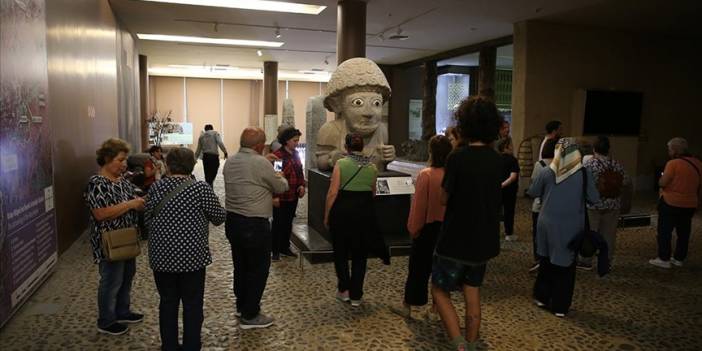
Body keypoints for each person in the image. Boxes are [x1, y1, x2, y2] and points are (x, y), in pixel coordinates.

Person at [432, 96, 503, 351]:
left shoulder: (457, 158)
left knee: (440, 290)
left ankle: (458, 343)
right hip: (483, 241)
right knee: (472, 292)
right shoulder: (497, 160)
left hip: (454, 239)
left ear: (464, 124)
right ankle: (472, 343)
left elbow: (443, 198)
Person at [145, 147, 226, 351]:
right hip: (192, 258)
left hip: (162, 258)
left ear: (169, 165)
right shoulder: (200, 189)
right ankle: (191, 345)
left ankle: (169, 346)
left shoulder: (156, 188)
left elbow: (147, 220)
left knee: (167, 302)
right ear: (192, 165)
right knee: (192, 304)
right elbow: (218, 218)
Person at [223, 127, 288, 329]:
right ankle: (251, 315)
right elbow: (280, 187)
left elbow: (250, 182)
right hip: (254, 224)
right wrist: (279, 174)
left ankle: (242, 305)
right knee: (258, 269)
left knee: (240, 265)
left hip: (233, 221)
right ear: (260, 146)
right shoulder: (261, 163)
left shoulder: (230, 161)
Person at [528, 138, 600, 318]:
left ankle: (542, 297)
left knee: (545, 260)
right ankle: (560, 306)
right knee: (565, 266)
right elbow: (594, 198)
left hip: (545, 222)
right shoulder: (584, 174)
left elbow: (533, 191)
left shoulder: (547, 172)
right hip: (570, 225)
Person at [84, 138, 145, 335]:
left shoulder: (122, 182)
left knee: (127, 277)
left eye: (125, 159)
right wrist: (130, 205)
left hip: (127, 238)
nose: (124, 164)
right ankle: (106, 320)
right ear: (107, 159)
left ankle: (122, 311)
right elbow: (100, 213)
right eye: (120, 160)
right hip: (109, 240)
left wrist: (139, 203)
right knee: (111, 281)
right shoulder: (97, 184)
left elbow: (133, 201)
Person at [324, 133, 388, 307]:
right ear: (362, 147)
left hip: (343, 214)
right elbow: (373, 192)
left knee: (341, 252)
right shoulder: (372, 167)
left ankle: (343, 290)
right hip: (364, 215)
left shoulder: (341, 164)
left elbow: (333, 192)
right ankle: (356, 295)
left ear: (347, 147)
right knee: (360, 254)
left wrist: (327, 215)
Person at [402, 135, 452, 316]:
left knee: (418, 268)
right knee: (440, 269)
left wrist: (414, 228)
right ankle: (436, 307)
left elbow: (419, 206)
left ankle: (409, 305)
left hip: (427, 229)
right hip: (446, 229)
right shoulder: (451, 175)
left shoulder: (427, 174)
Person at [316, 57, 396, 171]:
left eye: (376, 103)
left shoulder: (381, 130)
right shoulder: (330, 129)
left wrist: (388, 156)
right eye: (358, 103)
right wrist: (330, 158)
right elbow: (320, 162)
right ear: (338, 105)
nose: (369, 113)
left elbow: (381, 164)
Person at [578, 136, 629, 271]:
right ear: (608, 149)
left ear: (594, 149)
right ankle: (606, 261)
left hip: (593, 205)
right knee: (609, 235)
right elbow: (625, 182)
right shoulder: (616, 164)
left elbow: (583, 183)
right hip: (613, 204)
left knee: (591, 233)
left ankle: (586, 260)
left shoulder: (590, 165)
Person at [649, 137, 701, 269]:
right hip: (690, 203)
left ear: (675, 150)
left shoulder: (673, 164)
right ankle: (679, 258)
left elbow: (662, 183)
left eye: (669, 149)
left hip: (671, 202)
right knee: (684, 232)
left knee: (664, 231)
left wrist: (662, 179)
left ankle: (664, 258)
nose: (668, 151)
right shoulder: (698, 163)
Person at [271, 127, 306, 261]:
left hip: (293, 196)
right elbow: (276, 177)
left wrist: (302, 185)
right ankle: (275, 250)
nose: (297, 143)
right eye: (295, 140)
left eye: (298, 140)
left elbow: (300, 172)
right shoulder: (278, 156)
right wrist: (274, 196)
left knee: (288, 223)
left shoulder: (296, 154)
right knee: (278, 223)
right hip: (281, 196)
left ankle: (285, 247)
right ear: (286, 141)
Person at [528, 139, 557, 272]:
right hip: (554, 206)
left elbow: (533, 187)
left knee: (538, 235)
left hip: (539, 206)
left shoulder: (539, 165)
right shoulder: (561, 166)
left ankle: (539, 259)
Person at [498, 137, 520, 241]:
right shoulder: (513, 160)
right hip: (510, 190)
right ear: (506, 146)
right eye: (511, 145)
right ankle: (508, 233)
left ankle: (493, 232)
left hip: (496, 189)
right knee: (509, 211)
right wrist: (503, 185)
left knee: (495, 210)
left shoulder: (495, 158)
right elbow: (513, 177)